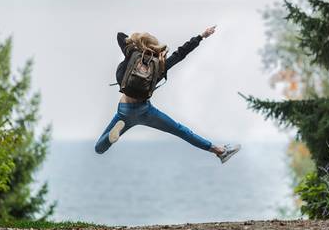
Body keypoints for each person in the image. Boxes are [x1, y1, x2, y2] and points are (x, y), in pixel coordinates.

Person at [95, 25, 241, 163]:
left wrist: (136, 45)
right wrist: (201, 36)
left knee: (99, 149)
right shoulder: (160, 65)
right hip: (145, 111)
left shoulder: (132, 54)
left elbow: (120, 36)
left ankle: (110, 137)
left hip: (124, 111)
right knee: (180, 131)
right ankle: (220, 151)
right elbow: (181, 53)